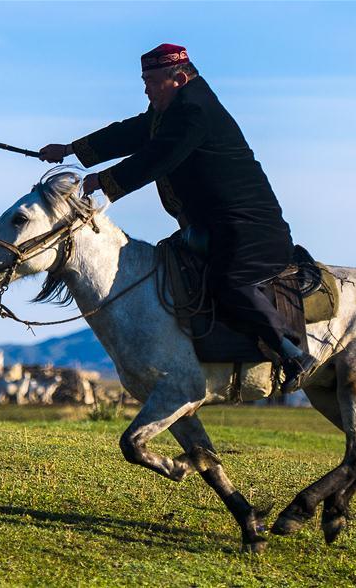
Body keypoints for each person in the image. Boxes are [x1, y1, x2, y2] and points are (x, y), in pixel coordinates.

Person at [39, 43, 315, 390]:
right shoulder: (169, 111)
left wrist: (101, 181)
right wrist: (70, 150)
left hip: (251, 232)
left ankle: (292, 353)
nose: (145, 88)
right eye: (144, 80)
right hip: (209, 228)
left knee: (230, 282)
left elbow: (158, 157)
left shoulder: (195, 111)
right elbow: (132, 132)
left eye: (151, 81)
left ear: (179, 79)